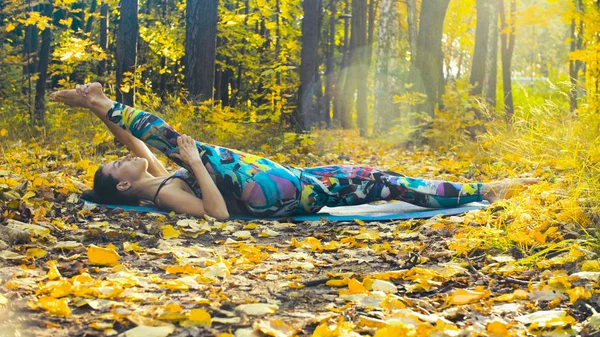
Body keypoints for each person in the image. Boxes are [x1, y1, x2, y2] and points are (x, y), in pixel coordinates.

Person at [51, 83, 538, 221]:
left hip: (291, 179)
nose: (125, 157)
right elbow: (217, 215)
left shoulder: (153, 176)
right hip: (263, 193)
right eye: (117, 166)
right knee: (185, 144)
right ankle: (483, 191)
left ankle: (479, 191)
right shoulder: (163, 195)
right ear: (123, 185)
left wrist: (101, 118)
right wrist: (196, 163)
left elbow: (134, 143)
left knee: (376, 177)